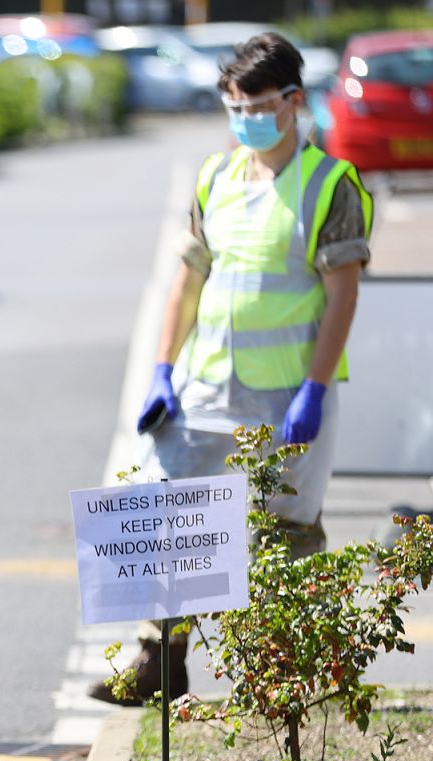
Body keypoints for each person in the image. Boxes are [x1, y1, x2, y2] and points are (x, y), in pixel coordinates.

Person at [89, 32, 372, 705]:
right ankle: (160, 657)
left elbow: (344, 295)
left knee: (286, 530)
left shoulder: (331, 184)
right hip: (206, 386)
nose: (243, 116)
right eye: (233, 104)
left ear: (295, 102)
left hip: (288, 395)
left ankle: (283, 681)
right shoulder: (215, 177)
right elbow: (186, 283)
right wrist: (163, 371)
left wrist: (315, 388)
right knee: (167, 515)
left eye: (257, 103)